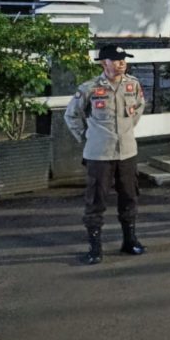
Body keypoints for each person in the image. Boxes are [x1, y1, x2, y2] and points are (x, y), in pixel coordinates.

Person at [64, 44, 147, 264]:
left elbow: (139, 107)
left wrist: (127, 129)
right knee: (96, 200)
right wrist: (88, 137)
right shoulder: (89, 87)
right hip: (99, 155)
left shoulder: (133, 84)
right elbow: (71, 115)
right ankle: (95, 248)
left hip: (127, 152)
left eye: (123, 60)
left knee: (130, 196)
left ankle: (130, 240)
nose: (122, 63)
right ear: (104, 63)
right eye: (116, 60)